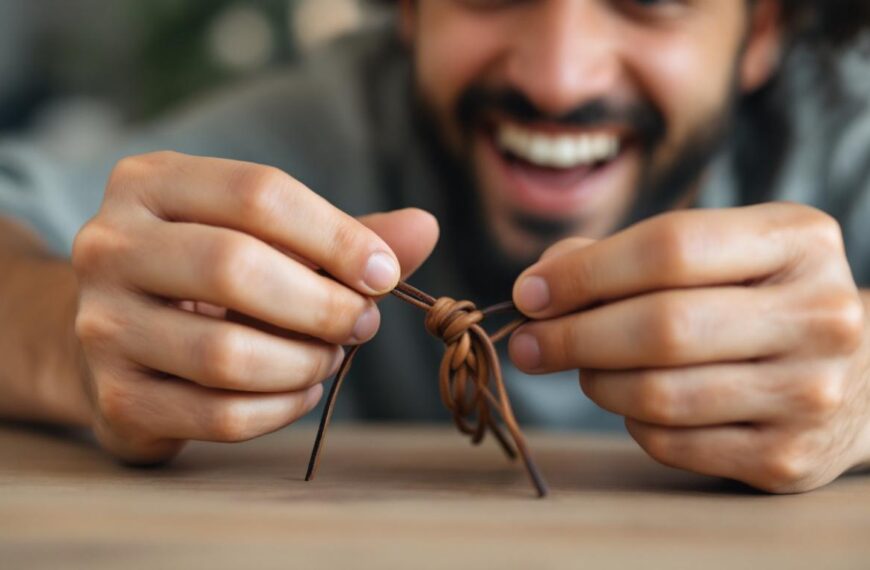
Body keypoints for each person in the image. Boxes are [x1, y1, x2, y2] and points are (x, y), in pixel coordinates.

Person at [1, 0, 869, 494]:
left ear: (761, 29)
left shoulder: (843, 139)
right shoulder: (314, 135)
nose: (557, 78)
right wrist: (71, 340)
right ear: (410, 10)